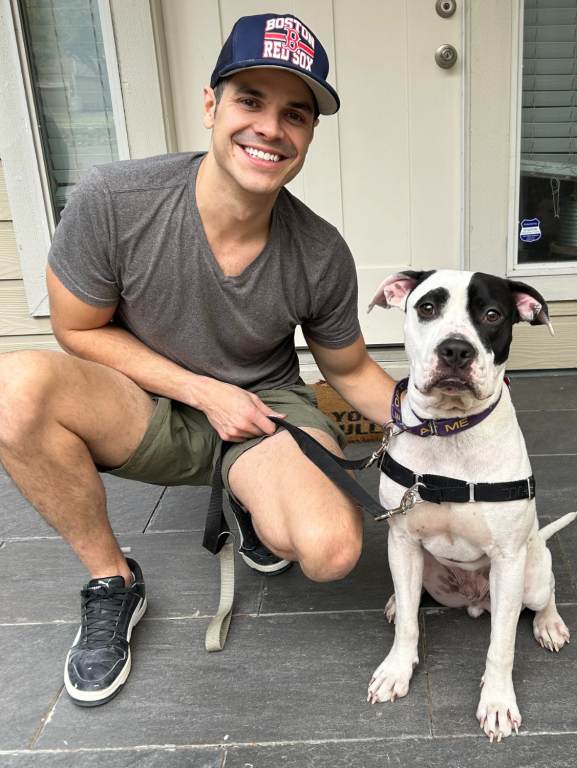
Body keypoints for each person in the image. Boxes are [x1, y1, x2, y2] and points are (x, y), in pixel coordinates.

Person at [0, 13, 395, 707]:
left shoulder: (321, 251)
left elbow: (352, 369)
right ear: (211, 105)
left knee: (332, 550)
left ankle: (250, 496)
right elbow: (76, 329)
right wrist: (203, 391)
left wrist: (446, 417)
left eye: (294, 114)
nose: (271, 127)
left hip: (264, 406)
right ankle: (112, 581)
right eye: (250, 100)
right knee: (13, 387)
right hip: (145, 404)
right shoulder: (114, 200)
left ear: (308, 135)